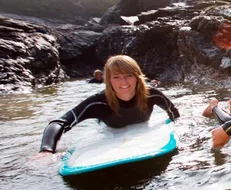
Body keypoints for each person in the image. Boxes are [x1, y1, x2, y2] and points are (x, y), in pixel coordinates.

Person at [37, 55, 180, 155]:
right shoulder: (98, 102)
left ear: (137, 76)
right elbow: (59, 123)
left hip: (142, 130)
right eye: (116, 77)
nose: (123, 83)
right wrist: (46, 150)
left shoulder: (152, 94)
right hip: (110, 134)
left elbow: (174, 113)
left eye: (128, 75)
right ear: (109, 80)